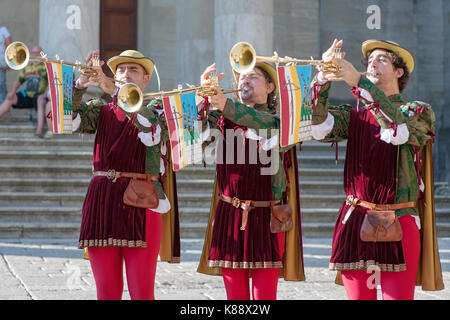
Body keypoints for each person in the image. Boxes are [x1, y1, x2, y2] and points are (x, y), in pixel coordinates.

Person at [310, 39, 444, 299]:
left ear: (399, 71)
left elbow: (397, 127)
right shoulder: (354, 115)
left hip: (399, 220)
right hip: (356, 218)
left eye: (381, 59)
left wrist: (360, 84)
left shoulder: (418, 111)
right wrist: (322, 81)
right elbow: (318, 128)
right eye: (370, 60)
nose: (372, 63)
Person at [73, 49, 177, 300]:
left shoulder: (158, 110)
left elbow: (151, 128)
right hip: (102, 200)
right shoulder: (101, 108)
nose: (126, 74)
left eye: (134, 70)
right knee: (106, 292)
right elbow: (67, 119)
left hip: (142, 201)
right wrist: (79, 86)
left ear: (145, 80)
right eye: (120, 69)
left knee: (142, 292)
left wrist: (112, 89)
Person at [195, 62, 305, 300]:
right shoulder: (223, 118)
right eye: (241, 77)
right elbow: (190, 141)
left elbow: (263, 124)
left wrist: (225, 104)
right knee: (235, 300)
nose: (244, 80)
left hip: (268, 216)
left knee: (265, 298)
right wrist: (200, 101)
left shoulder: (280, 119)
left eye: (253, 77)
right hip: (230, 214)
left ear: (270, 86)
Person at [0, 45, 49, 137]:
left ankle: (39, 132)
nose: (35, 55)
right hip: (27, 96)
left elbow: (52, 83)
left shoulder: (45, 67)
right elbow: (18, 81)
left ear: (42, 55)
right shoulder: (27, 68)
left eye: (37, 53)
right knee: (10, 98)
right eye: (33, 53)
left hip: (40, 97)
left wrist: (45, 95)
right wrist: (12, 92)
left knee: (40, 101)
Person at [0, 26, 12, 104]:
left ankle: (3, 107)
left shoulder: (3, 30)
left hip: (1, 62)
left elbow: (9, 47)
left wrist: (10, 62)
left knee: (1, 85)